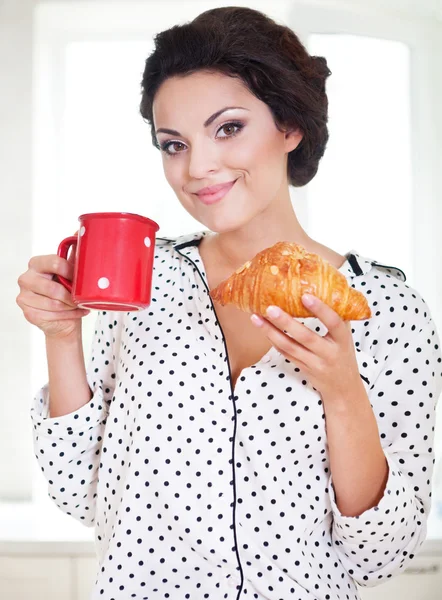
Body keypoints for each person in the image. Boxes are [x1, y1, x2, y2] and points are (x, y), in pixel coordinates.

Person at [16, 6, 442, 600]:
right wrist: (61, 337)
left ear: (289, 126)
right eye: (173, 143)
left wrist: (343, 391)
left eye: (229, 128)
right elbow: (80, 492)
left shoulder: (390, 313)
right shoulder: (148, 280)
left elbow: (381, 552)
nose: (198, 167)